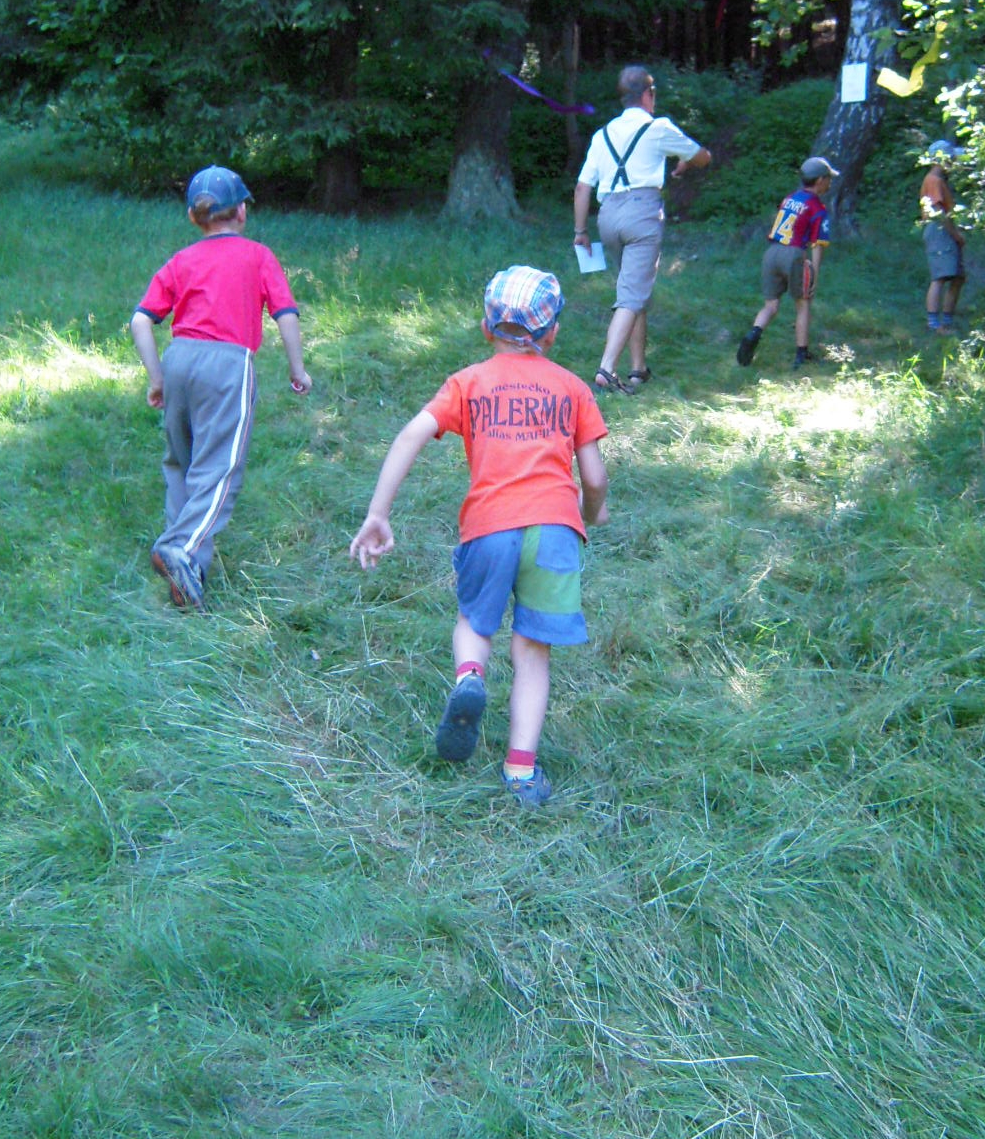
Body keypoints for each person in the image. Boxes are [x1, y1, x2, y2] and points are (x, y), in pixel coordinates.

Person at [349, 267, 609, 808]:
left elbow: (411, 434)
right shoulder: (574, 388)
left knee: (474, 621)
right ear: (553, 332)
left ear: (486, 326)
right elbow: (595, 476)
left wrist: (378, 513)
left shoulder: (467, 382)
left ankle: (470, 676)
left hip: (489, 527)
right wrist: (592, 511)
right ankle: (521, 772)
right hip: (555, 531)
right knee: (533, 650)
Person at [130, 165, 311, 610]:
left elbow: (140, 321)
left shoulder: (182, 260)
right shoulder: (258, 256)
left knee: (182, 463)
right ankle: (179, 549)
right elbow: (285, 314)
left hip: (179, 359)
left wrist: (157, 377)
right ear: (242, 211)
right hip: (228, 364)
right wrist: (297, 369)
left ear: (194, 217)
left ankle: (189, 575)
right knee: (220, 468)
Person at [572, 64, 711, 393]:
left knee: (634, 289)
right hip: (642, 215)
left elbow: (582, 187)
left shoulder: (602, 135)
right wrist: (687, 160)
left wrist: (580, 231)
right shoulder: (658, 128)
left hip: (608, 217)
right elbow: (703, 157)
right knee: (632, 295)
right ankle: (606, 369)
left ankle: (638, 368)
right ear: (649, 94)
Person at [735, 156, 839, 370]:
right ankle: (801, 355)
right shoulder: (817, 208)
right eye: (829, 178)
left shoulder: (790, 198)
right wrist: (814, 274)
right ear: (820, 180)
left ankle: (753, 334)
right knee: (803, 304)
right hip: (793, 254)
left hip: (772, 252)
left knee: (771, 305)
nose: (830, 182)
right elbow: (817, 245)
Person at [920, 140, 966, 332]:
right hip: (939, 230)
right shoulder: (934, 181)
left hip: (943, 230)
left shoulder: (937, 181)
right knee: (940, 277)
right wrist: (955, 235)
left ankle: (946, 322)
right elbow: (938, 213)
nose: (954, 162)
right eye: (952, 159)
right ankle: (934, 324)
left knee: (957, 277)